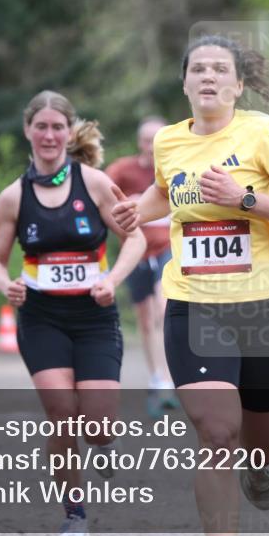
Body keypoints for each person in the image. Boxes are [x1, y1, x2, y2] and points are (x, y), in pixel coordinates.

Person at [112, 36, 269, 536]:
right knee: (216, 432)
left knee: (259, 443)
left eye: (219, 69)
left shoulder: (265, 134)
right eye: (198, 69)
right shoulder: (168, 141)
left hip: (266, 306)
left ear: (239, 85)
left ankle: (263, 467)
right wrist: (136, 212)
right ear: (184, 84)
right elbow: (166, 191)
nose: (208, 76)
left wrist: (244, 198)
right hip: (195, 305)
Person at [0, 90, 146, 536]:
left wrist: (112, 279)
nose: (50, 135)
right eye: (42, 127)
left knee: (97, 425)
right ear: (28, 132)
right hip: (41, 317)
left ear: (68, 132)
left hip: (94, 317)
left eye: (58, 127)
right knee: (61, 413)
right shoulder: (12, 198)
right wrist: (7, 286)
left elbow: (133, 239)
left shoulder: (94, 184)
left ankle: (101, 441)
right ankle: (74, 518)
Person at [105, 117, 178, 418]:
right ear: (140, 143)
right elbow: (103, 200)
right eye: (147, 140)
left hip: (168, 248)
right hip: (135, 251)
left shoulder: (177, 167)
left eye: (157, 140)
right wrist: (126, 210)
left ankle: (172, 380)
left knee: (164, 309)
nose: (151, 146)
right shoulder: (123, 170)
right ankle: (158, 377)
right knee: (146, 321)